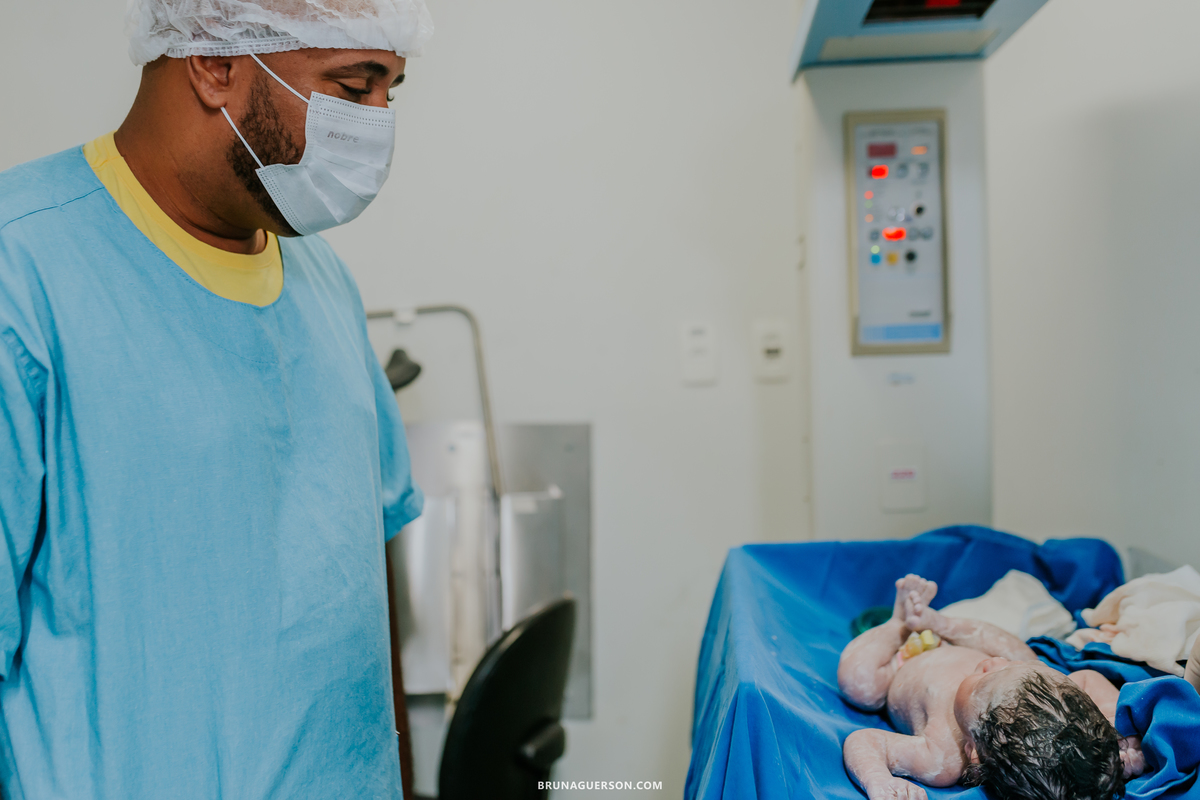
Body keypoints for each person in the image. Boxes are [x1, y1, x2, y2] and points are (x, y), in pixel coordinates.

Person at [0, 1, 433, 797]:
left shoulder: (323, 280)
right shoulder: (21, 273)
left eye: (390, 93)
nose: (378, 127)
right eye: (352, 85)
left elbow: (366, 576)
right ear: (214, 62)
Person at [838, 575, 1146, 800]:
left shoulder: (942, 758)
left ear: (972, 751)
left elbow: (863, 741)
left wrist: (878, 779)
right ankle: (940, 621)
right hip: (948, 640)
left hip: (900, 665)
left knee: (859, 683)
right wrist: (1112, 737)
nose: (994, 662)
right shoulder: (1045, 686)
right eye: (1011, 670)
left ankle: (897, 622)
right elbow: (1089, 678)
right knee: (1028, 657)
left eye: (985, 680)